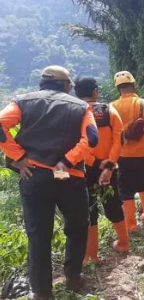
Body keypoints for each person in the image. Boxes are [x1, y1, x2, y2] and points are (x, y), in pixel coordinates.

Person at [0, 66, 98, 299]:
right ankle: (73, 277)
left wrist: (19, 157)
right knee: (76, 226)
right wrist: (67, 160)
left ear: (42, 83)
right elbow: (92, 138)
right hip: (67, 176)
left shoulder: (21, 101)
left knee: (38, 235)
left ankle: (42, 292)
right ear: (66, 85)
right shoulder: (81, 107)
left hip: (34, 175)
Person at [74, 77, 129, 264]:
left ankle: (91, 255)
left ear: (76, 93)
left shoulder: (75, 112)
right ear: (95, 91)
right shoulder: (109, 110)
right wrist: (109, 165)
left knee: (89, 210)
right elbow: (119, 140)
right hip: (110, 169)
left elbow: (76, 144)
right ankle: (123, 243)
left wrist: (94, 162)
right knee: (113, 204)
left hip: (85, 169)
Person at [111, 71, 144, 232]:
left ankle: (131, 225)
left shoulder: (112, 107)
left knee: (125, 189)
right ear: (134, 85)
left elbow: (110, 134)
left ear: (118, 88)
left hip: (123, 154)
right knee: (143, 183)